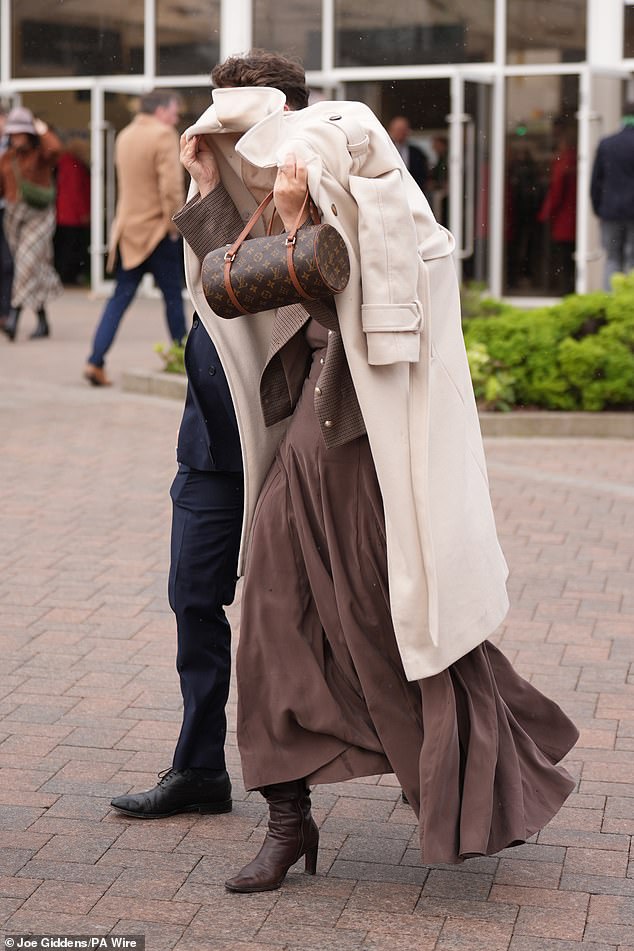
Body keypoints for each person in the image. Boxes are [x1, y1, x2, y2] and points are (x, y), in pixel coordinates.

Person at [173, 49, 579, 895]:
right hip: (308, 443)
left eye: (247, 125)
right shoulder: (273, 177)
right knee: (272, 617)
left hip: (365, 440)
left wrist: (300, 205)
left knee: (384, 621)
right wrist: (215, 188)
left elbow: (363, 292)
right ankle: (288, 820)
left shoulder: (359, 163)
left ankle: (481, 780)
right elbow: (241, 292)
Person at [84, 89, 187, 387]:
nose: (176, 117)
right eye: (174, 111)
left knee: (119, 299)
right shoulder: (164, 135)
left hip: (128, 231)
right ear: (161, 111)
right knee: (172, 299)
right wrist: (174, 226)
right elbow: (171, 188)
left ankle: (95, 359)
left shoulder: (125, 135)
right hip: (156, 230)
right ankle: (182, 358)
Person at [0, 107, 61, 341]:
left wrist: (41, 128)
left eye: (21, 133)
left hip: (40, 216)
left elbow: (56, 149)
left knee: (25, 265)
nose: (16, 138)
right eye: (13, 134)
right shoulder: (7, 158)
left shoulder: (41, 153)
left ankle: (13, 318)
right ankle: (43, 321)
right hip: (14, 217)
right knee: (34, 268)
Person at [591, 101, 634, 290]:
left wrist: (598, 209)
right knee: (633, 260)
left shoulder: (607, 144)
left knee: (612, 259)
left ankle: (610, 304)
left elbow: (596, 182)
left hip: (611, 212)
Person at [538, 118, 577, 295]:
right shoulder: (572, 159)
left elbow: (557, 190)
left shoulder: (564, 161)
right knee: (567, 257)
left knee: (562, 257)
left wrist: (546, 213)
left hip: (563, 218)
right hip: (570, 216)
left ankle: (563, 289)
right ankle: (567, 288)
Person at [54, 136, 91, 285]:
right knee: (71, 248)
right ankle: (68, 277)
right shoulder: (71, 164)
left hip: (66, 213)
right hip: (71, 214)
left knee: (66, 247)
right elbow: (75, 191)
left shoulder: (66, 163)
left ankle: (67, 276)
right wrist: (83, 213)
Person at [387, 115, 429, 196]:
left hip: (413, 192)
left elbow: (422, 174)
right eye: (398, 130)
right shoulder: (385, 149)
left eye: (404, 130)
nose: (401, 133)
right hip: (390, 192)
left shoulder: (417, 153)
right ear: (390, 131)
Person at [0, 104, 15, 330]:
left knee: (7, 263)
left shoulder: (17, 147)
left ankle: (6, 313)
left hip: (8, 209)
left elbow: (53, 150)